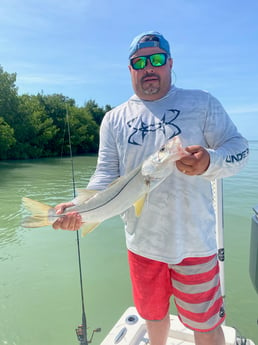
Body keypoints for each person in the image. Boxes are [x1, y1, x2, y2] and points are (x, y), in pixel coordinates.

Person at [53, 31, 249, 345]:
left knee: (206, 324)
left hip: (196, 245)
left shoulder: (202, 103)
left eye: (156, 59)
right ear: (130, 68)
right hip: (142, 246)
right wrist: (77, 208)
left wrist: (210, 161)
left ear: (170, 63)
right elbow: (105, 177)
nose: (148, 67)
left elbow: (239, 148)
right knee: (153, 318)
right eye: (139, 62)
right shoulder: (113, 119)